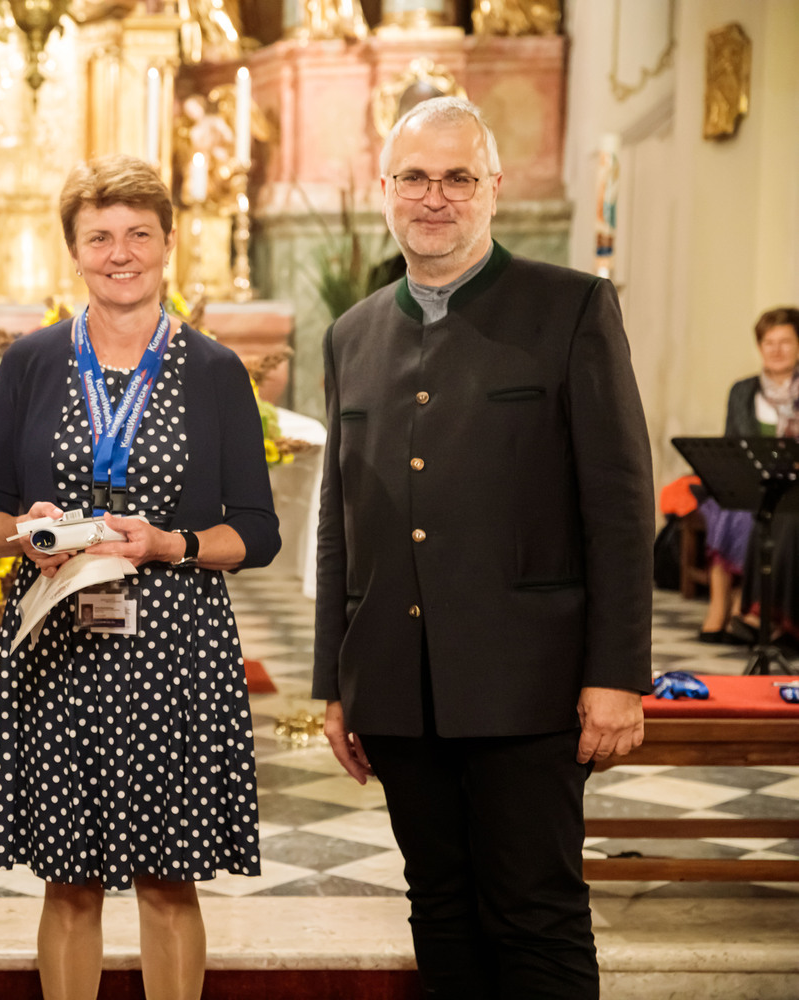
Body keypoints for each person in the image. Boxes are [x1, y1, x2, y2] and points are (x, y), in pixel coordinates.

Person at [313, 97, 654, 998]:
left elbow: (621, 507)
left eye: (458, 178)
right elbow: (340, 523)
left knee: (536, 911)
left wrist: (617, 674)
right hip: (397, 683)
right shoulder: (352, 334)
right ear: (385, 189)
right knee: (438, 904)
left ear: (493, 188)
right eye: (416, 178)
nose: (436, 197)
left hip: (529, 681)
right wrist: (335, 684)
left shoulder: (571, 307)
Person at [0, 154, 280, 1000]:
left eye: (139, 234)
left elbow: (257, 531)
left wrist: (170, 544)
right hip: (58, 641)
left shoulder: (214, 370)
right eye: (99, 236)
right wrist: (24, 537)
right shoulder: (31, 362)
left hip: (175, 646)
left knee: (169, 881)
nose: (120, 253)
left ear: (170, 244)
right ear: (73, 251)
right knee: (68, 882)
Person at [699, 307, 799, 641]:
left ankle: (755, 608)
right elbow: (731, 442)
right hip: (751, 478)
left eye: (785, 341)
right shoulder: (742, 391)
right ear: (759, 347)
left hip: (792, 483)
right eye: (769, 342)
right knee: (725, 503)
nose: (776, 350)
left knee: (781, 513)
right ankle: (722, 606)